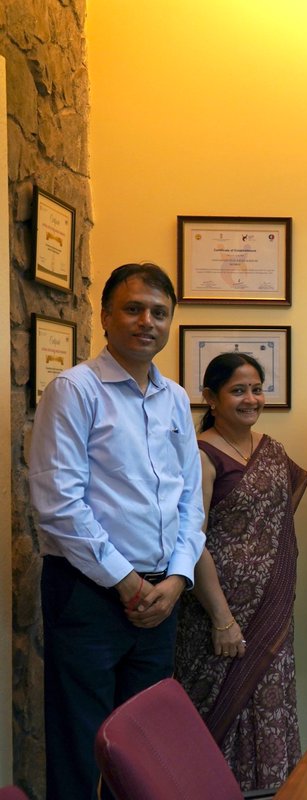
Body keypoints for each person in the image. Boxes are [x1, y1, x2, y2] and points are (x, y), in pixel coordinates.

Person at [30, 262, 206, 799]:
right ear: (105, 317)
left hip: (161, 597)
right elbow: (59, 503)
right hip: (90, 595)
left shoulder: (174, 397)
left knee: (145, 745)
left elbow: (190, 501)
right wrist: (126, 582)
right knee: (82, 744)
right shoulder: (74, 390)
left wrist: (177, 579)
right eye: (133, 309)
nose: (146, 321)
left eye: (159, 312)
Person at [174, 352, 307, 790]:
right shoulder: (201, 455)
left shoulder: (272, 449)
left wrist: (265, 565)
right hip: (216, 620)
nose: (251, 399)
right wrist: (222, 619)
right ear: (211, 398)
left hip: (269, 616)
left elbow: (279, 516)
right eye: (238, 390)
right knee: (218, 718)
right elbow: (191, 541)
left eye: (256, 388)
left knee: (270, 710)